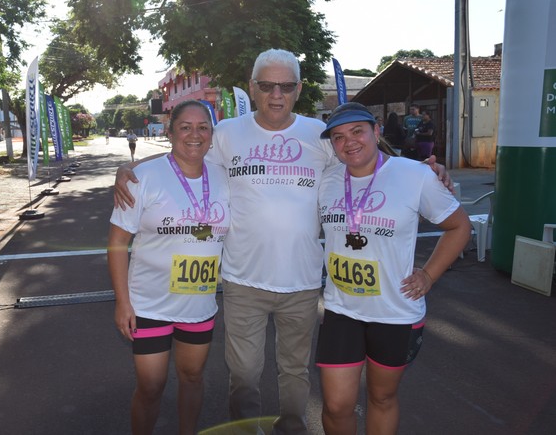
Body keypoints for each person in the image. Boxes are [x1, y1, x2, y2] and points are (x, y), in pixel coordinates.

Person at [114, 50, 451, 434]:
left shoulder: (318, 134)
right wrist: (130, 169)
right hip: (242, 280)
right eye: (268, 85)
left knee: (295, 374)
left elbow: (362, 154)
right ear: (253, 88)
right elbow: (185, 154)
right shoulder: (225, 133)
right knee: (242, 373)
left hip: (303, 282)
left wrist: (424, 169)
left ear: (299, 89)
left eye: (287, 86)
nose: (277, 94)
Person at [316, 102, 470, 435]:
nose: (349, 142)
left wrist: (428, 275)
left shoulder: (414, 175)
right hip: (342, 309)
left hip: (395, 312)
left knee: (382, 397)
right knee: (336, 404)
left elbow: (459, 226)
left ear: (376, 131)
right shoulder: (326, 179)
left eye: (357, 131)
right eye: (339, 137)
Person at [108, 100, 231, 435]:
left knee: (192, 378)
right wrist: (123, 302)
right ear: (170, 131)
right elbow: (118, 243)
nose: (195, 134)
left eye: (203, 127)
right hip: (149, 304)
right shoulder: (142, 178)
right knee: (151, 385)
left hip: (198, 304)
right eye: (185, 127)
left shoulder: (224, 177)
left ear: (211, 134)